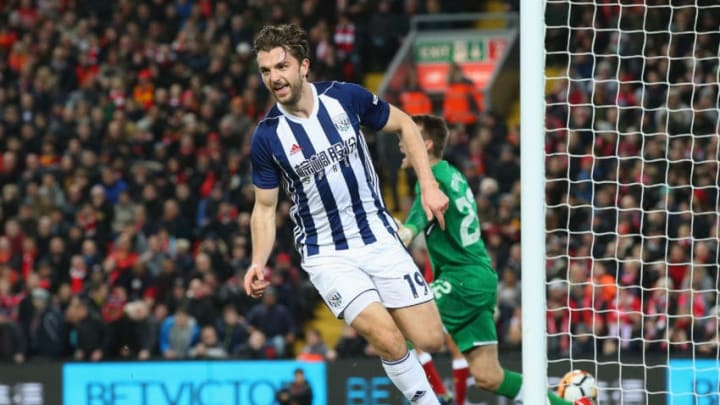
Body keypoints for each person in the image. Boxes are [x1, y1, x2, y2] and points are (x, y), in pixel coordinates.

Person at [243, 24, 449, 405]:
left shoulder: (345, 99)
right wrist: (258, 260)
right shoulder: (267, 136)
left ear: (303, 66)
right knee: (386, 337)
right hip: (328, 253)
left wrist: (430, 185)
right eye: (265, 70)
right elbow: (265, 207)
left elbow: (405, 124)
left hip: (380, 236)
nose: (274, 77)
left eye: (281, 66)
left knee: (430, 339)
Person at [396, 114, 593, 405]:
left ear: (425, 145)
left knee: (401, 324)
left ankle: (439, 396)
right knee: (490, 377)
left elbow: (424, 210)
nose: (401, 144)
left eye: (407, 138)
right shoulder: (452, 173)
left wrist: (408, 231)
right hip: (480, 278)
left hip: (461, 279)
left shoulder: (432, 179)